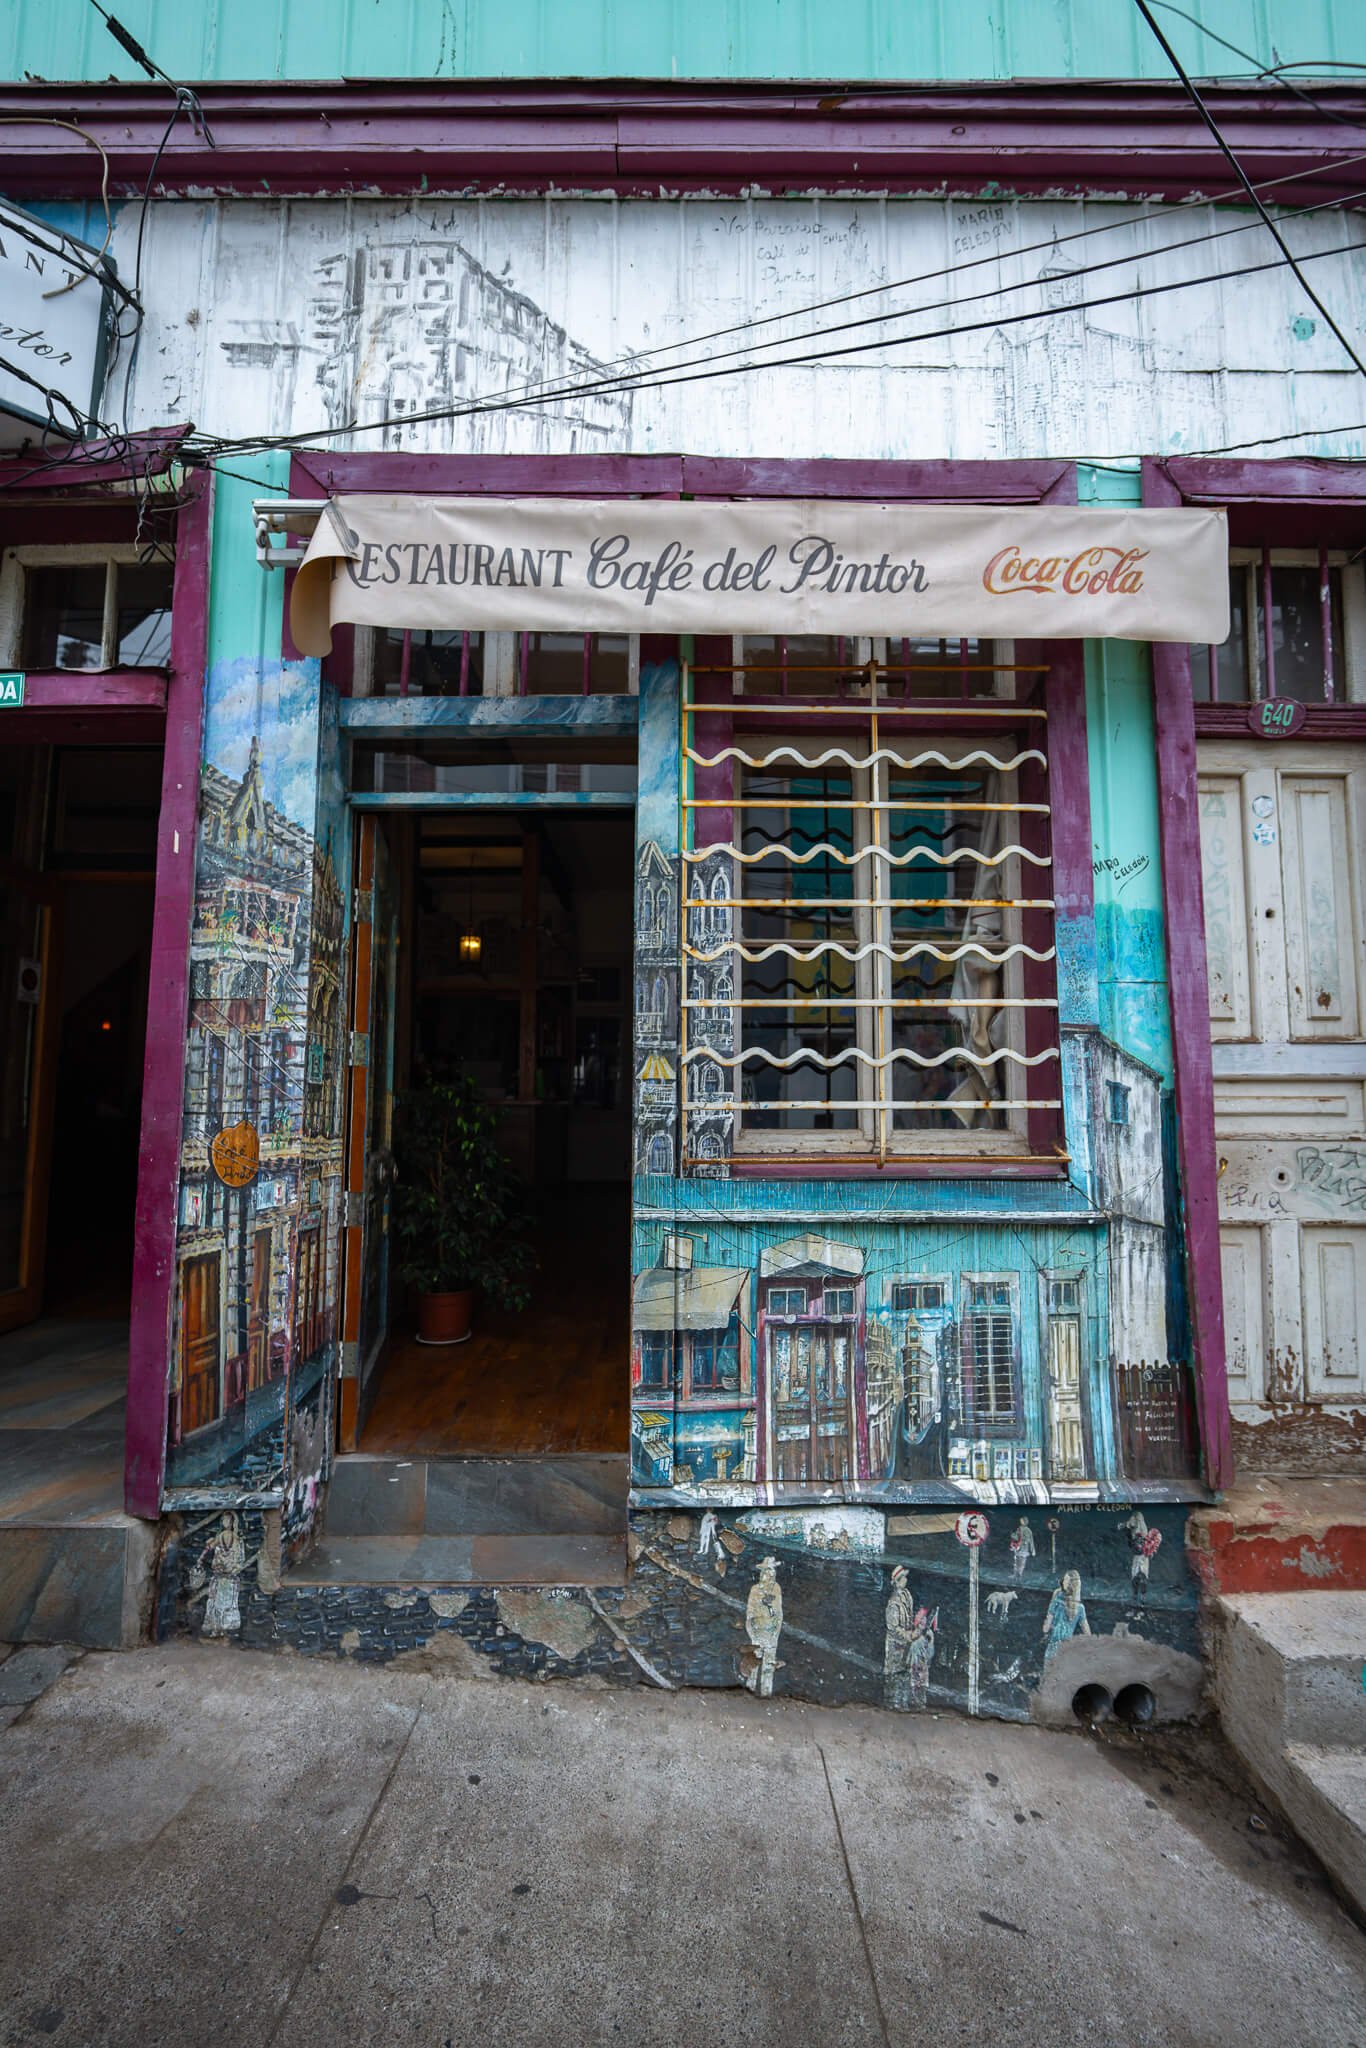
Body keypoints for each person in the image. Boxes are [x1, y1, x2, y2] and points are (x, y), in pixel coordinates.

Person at [884, 1562, 922, 1711]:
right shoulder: (893, 1602)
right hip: (896, 1645)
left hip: (906, 1644)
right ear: (898, 1580)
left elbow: (910, 1617)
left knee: (906, 1673)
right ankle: (893, 1703)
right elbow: (893, 1627)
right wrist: (908, 1636)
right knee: (894, 1674)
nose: (906, 1580)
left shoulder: (907, 1595)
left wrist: (916, 1627)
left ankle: (903, 1703)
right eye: (904, 1578)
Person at [745, 1556, 783, 1697]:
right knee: (754, 1662)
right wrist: (751, 1632)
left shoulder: (776, 1589)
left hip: (771, 1632)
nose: (770, 1575)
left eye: (772, 1572)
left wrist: (776, 1632)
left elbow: (778, 1613)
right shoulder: (755, 1590)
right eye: (767, 1571)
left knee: (769, 1665)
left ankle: (766, 1692)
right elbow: (750, 1613)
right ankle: (750, 1690)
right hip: (758, 1631)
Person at [1041, 1568, 1090, 1665]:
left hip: (1053, 1645)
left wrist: (1046, 1627)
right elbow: (1087, 1632)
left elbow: (1046, 1628)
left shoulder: (1056, 1603)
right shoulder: (1080, 1608)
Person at [1009, 1517, 1036, 1583]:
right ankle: (1015, 1575)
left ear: (1025, 1521)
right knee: (1016, 1562)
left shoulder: (1028, 1530)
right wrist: (1013, 1535)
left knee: (1021, 1563)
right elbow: (1015, 1537)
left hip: (1024, 1549)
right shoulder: (1019, 1529)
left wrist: (1033, 1550)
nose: (1021, 1522)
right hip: (1018, 1548)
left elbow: (1031, 1541)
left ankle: (1019, 1576)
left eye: (1022, 1521)